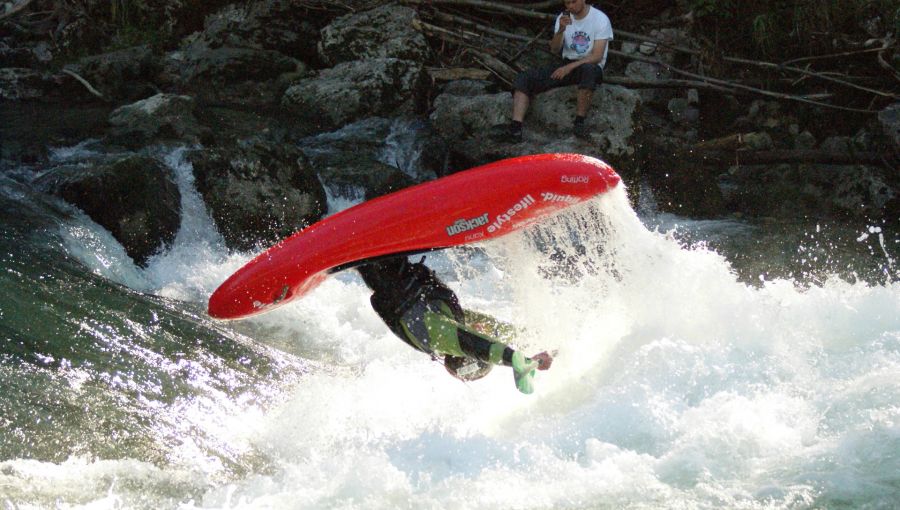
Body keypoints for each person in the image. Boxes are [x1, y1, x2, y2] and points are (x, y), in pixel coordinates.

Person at [357, 256, 552, 394]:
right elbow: (504, 332)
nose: (485, 332)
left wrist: (519, 362)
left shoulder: (439, 338)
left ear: (465, 355)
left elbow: (485, 347)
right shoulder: (454, 326)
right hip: (396, 264)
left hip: (378, 265)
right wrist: (546, 350)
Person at [499, 0, 613, 142]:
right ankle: (516, 128)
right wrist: (561, 30)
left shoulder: (600, 19)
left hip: (590, 65)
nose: (570, 6)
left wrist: (569, 67)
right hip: (567, 63)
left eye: (573, 2)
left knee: (588, 71)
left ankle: (579, 121)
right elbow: (554, 49)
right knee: (525, 77)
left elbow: (597, 56)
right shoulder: (562, 17)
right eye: (567, 3)